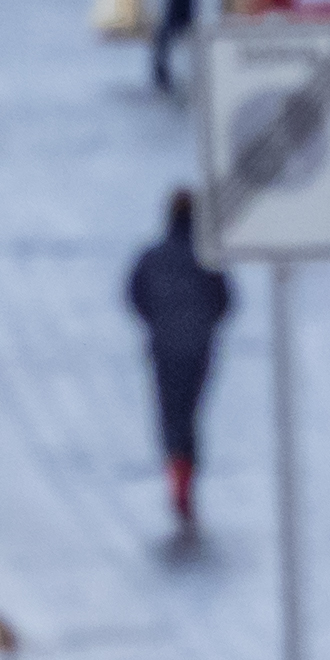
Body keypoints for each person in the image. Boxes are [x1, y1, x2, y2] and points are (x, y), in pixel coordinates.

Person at [129, 193, 235, 541]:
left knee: (170, 412)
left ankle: (178, 475)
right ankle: (185, 476)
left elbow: (134, 295)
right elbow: (226, 302)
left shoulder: (152, 257)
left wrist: (157, 322)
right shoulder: (209, 256)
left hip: (163, 346)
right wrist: (204, 326)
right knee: (191, 411)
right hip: (199, 347)